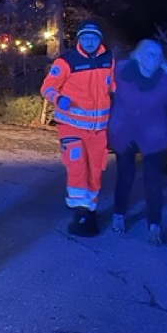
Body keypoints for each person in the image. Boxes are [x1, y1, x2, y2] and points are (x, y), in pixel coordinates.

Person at [40, 20, 115, 237]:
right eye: (85, 38)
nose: (89, 41)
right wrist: (59, 98)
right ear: (79, 39)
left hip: (98, 130)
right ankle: (79, 210)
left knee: (96, 169)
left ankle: (89, 208)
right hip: (71, 127)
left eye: (94, 38)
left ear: (100, 40)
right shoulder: (66, 61)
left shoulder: (109, 60)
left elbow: (116, 86)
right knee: (77, 166)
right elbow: (48, 87)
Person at [108, 39, 167, 245]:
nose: (153, 58)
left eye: (157, 55)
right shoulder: (121, 71)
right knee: (125, 178)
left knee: (153, 184)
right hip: (125, 133)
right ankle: (119, 214)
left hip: (153, 136)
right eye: (149, 53)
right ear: (138, 55)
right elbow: (97, 80)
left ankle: (154, 225)